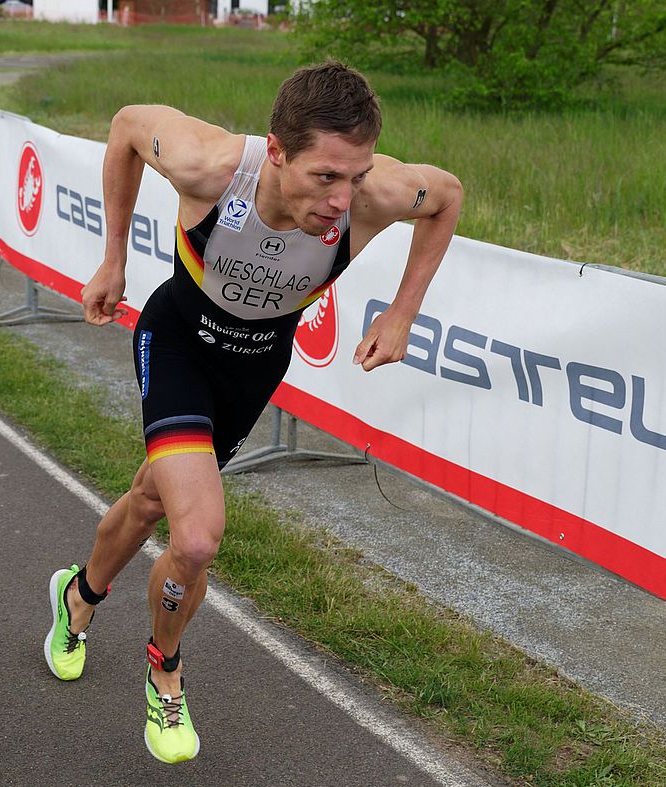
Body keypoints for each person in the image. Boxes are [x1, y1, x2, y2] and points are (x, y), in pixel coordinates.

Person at [44, 60, 463, 764]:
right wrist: (112, 258)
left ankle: (78, 595)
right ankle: (165, 668)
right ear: (275, 150)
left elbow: (446, 196)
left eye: (354, 177)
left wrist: (403, 311)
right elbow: (122, 129)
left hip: (255, 365)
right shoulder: (208, 164)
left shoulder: (372, 194)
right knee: (199, 535)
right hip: (178, 342)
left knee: (153, 500)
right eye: (323, 177)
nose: (341, 199)